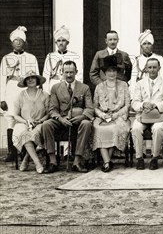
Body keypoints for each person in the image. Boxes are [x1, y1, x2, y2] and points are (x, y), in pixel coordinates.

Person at [41, 61, 94, 173]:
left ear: (76, 72)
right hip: (61, 120)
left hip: (78, 120)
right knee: (46, 124)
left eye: (71, 72)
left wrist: (82, 117)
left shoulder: (84, 88)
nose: (69, 75)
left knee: (87, 124)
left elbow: (90, 108)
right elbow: (52, 109)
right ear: (62, 72)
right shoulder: (55, 88)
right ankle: (52, 162)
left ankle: (77, 162)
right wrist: (60, 118)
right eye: (66, 72)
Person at [1, 26, 40, 162]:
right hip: (11, 90)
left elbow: (36, 77)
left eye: (20, 40)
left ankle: (25, 150)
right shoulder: (6, 59)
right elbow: (2, 79)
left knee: (26, 118)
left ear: (24, 42)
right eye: (15, 40)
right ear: (11, 43)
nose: (18, 42)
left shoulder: (31, 58)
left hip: (26, 89)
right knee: (11, 119)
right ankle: (12, 152)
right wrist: (1, 98)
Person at [131, 57, 163, 170]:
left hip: (160, 115)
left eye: (155, 67)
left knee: (158, 128)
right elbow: (134, 102)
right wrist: (143, 105)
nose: (152, 70)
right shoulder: (140, 84)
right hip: (143, 115)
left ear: (159, 68)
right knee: (135, 128)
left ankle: (154, 158)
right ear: (146, 69)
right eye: (150, 67)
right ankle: (139, 158)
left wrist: (155, 105)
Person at [92, 54, 131, 172]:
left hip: (118, 116)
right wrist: (102, 115)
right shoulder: (99, 87)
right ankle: (107, 161)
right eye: (109, 71)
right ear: (105, 72)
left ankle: (106, 162)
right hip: (103, 116)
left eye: (114, 70)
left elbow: (127, 105)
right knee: (98, 129)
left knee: (114, 128)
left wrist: (116, 115)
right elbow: (95, 106)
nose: (112, 73)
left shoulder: (123, 85)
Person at [12, 71, 50, 174]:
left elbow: (49, 113)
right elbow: (16, 115)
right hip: (24, 123)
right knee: (23, 133)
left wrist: (40, 120)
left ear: (37, 80)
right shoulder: (20, 96)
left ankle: (26, 158)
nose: (30, 80)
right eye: (28, 78)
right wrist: (26, 121)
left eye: (33, 78)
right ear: (25, 82)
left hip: (40, 123)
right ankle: (37, 163)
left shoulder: (45, 95)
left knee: (35, 133)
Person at [42, 25, 83, 93]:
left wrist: (75, 91)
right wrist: (47, 93)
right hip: (53, 87)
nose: (61, 43)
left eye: (63, 40)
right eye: (58, 41)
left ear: (67, 42)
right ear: (56, 42)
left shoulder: (75, 56)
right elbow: (46, 76)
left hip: (69, 87)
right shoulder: (50, 56)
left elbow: (79, 76)